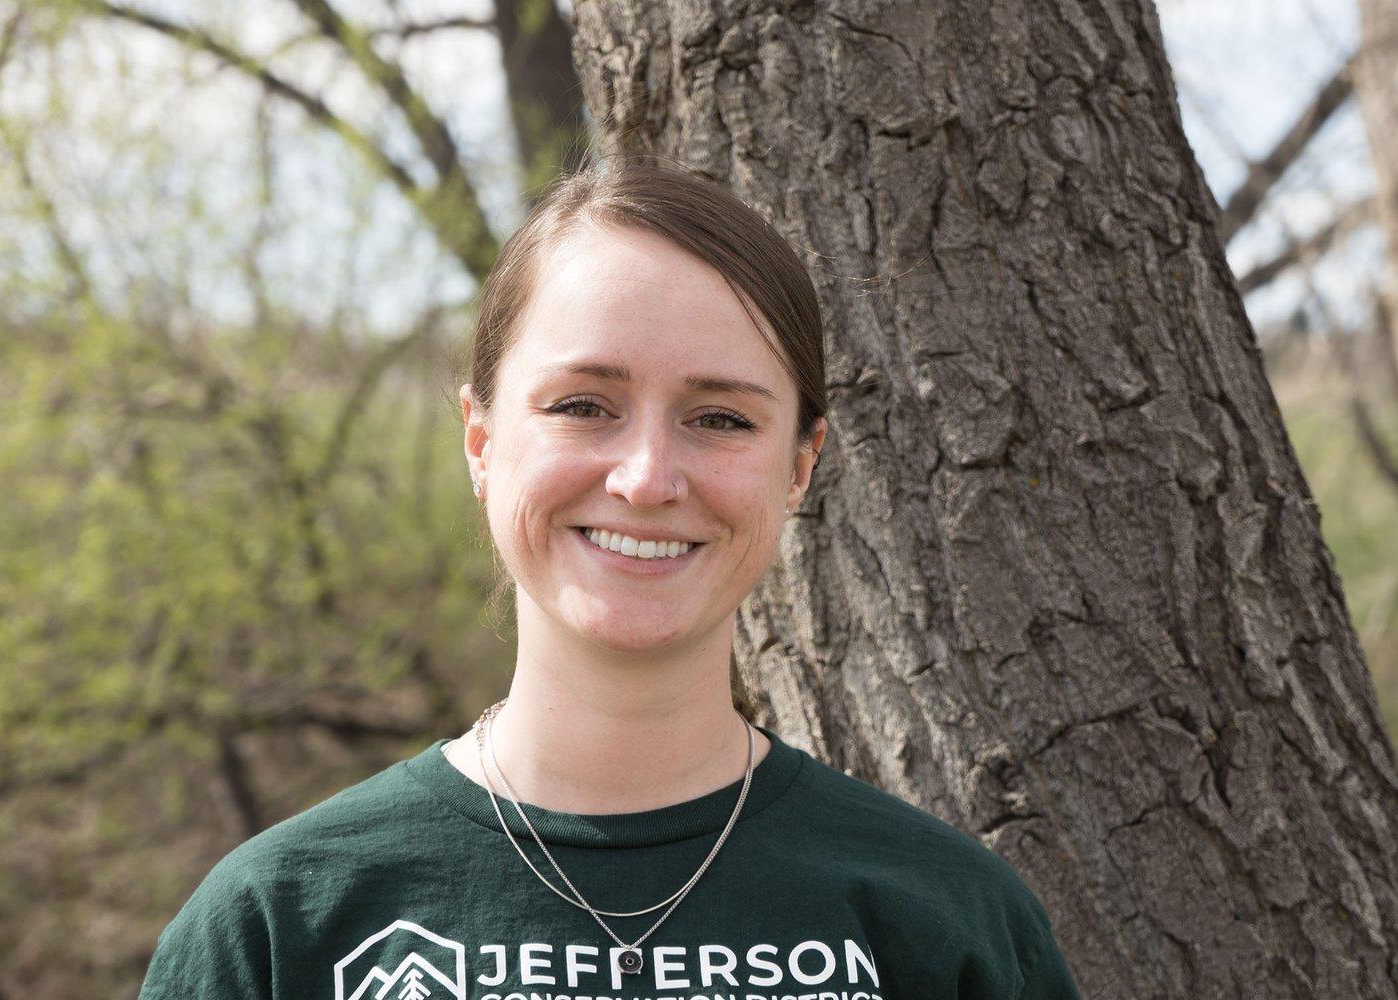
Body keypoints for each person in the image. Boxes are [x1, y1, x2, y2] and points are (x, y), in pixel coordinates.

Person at [138, 155, 1083, 1000]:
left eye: (720, 418)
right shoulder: (281, 926)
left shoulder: (949, 925)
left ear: (800, 464)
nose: (644, 479)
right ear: (481, 438)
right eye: (585, 405)